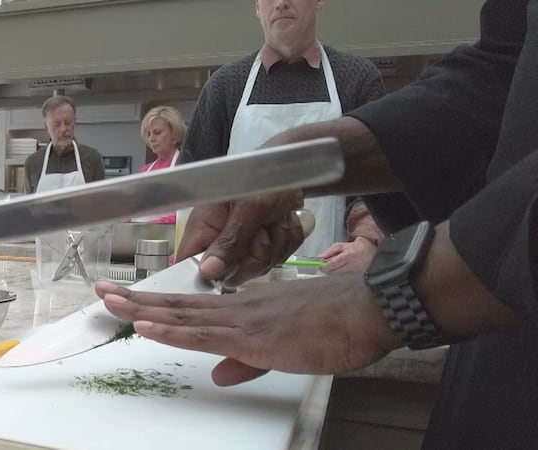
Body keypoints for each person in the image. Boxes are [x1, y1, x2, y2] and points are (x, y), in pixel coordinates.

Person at [95, 0, 536, 448]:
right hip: (489, 346)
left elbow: (374, 198)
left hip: (395, 284)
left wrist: (382, 272)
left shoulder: (354, 76)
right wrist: (291, 162)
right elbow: (506, 73)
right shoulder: (226, 85)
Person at [179, 0, 395, 268]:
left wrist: (365, 242)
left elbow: (377, 182)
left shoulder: (356, 78)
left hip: (329, 276)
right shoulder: (225, 85)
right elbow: (194, 187)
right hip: (237, 277)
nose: (280, 3)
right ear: (257, 8)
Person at [24, 95, 105, 194]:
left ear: (75, 122)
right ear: (46, 127)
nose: (63, 129)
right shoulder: (33, 163)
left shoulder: (93, 158)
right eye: (57, 124)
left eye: (68, 122)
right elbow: (29, 206)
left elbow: (101, 203)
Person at [132, 106, 187, 224]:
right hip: (142, 234)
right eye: (149, 134)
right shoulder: (145, 170)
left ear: (174, 135)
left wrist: (154, 224)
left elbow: (187, 213)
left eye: (157, 133)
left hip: (172, 235)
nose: (151, 138)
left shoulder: (184, 167)